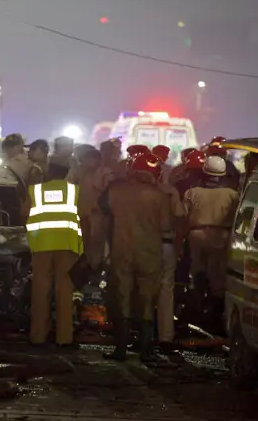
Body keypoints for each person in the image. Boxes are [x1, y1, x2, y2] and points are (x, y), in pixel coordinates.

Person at [100, 153, 172, 363]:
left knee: (121, 298)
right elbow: (166, 225)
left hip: (121, 250)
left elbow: (104, 210)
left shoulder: (115, 190)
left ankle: (120, 349)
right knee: (147, 300)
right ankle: (145, 350)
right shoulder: (159, 196)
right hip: (149, 252)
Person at [26, 177, 83, 348]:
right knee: (64, 290)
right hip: (67, 244)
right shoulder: (74, 190)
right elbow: (85, 215)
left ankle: (37, 336)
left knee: (40, 289)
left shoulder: (35, 190)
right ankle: (64, 338)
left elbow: (23, 213)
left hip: (41, 244)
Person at [184, 156, 239, 322]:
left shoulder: (192, 193)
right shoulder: (232, 195)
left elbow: (182, 218)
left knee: (197, 272)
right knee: (218, 276)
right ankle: (215, 315)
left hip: (196, 235)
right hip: (221, 236)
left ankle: (197, 308)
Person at [67, 148, 114, 274]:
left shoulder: (106, 173)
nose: (86, 162)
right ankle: (85, 265)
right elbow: (69, 184)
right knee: (84, 241)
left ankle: (95, 267)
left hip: (98, 214)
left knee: (96, 241)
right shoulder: (80, 171)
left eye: (88, 159)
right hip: (82, 213)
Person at [155, 169, 187, 349]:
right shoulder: (170, 192)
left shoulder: (128, 190)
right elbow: (181, 220)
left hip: (142, 245)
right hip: (166, 244)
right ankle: (165, 336)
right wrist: (178, 246)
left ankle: (139, 333)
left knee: (140, 289)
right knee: (166, 290)